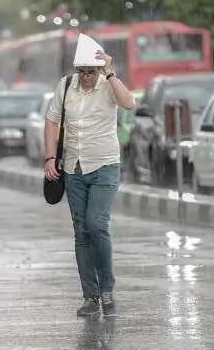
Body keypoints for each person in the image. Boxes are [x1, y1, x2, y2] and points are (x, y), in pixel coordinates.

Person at [44, 38, 135, 317]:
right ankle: (90, 297)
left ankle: (107, 289)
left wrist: (110, 71)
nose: (85, 76)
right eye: (82, 70)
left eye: (90, 71)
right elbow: (52, 121)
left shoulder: (109, 84)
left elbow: (129, 103)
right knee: (82, 232)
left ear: (98, 70)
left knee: (97, 225)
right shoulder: (66, 85)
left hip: (105, 165)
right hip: (73, 168)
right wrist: (49, 158)